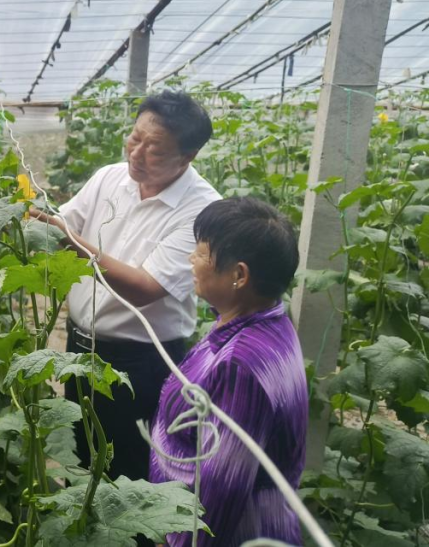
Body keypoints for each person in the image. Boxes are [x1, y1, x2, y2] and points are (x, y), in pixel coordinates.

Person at [32, 91, 220, 481]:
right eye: (135, 138)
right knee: (79, 455)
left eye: (154, 150)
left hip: (140, 363)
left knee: (127, 471)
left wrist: (69, 240)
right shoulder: (110, 177)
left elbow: (145, 288)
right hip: (80, 345)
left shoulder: (203, 211)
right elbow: (66, 221)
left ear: (187, 157)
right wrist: (33, 218)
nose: (136, 153)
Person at [149, 197, 308, 545]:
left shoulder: (241, 365)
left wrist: (178, 541)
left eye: (202, 253)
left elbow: (219, 490)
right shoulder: (266, 323)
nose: (191, 260)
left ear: (239, 275)